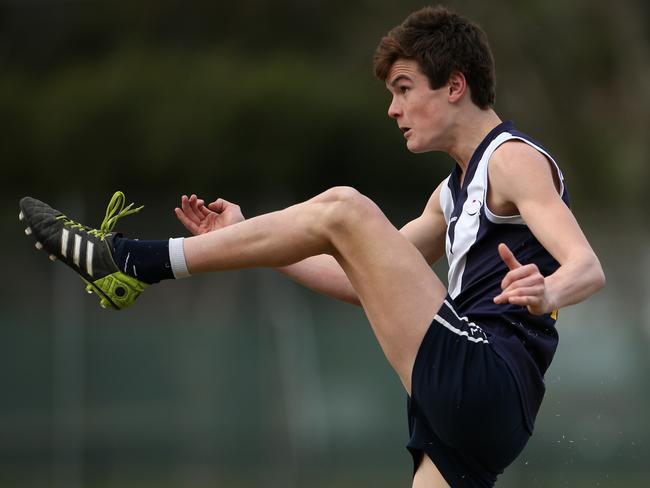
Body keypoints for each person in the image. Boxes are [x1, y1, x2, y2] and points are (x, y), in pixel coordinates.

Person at [18, 5, 605, 487]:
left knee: (346, 208)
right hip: (476, 412)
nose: (392, 108)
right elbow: (358, 279)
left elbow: (587, 266)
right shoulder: (450, 195)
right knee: (344, 224)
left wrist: (547, 287)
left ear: (455, 86)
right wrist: (248, 237)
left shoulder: (514, 159)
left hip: (485, 376)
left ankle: (133, 262)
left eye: (404, 89)